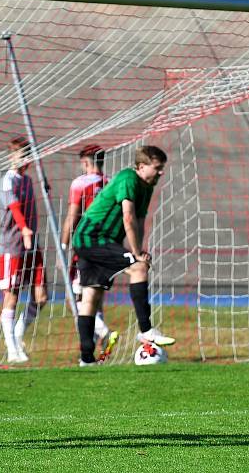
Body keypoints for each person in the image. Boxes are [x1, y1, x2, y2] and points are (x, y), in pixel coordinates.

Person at [73, 145, 175, 366]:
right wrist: (137, 254)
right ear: (141, 167)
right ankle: (146, 330)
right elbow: (128, 217)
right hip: (92, 237)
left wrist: (139, 250)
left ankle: (86, 359)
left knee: (91, 295)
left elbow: (138, 222)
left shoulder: (146, 187)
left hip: (96, 240)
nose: (161, 173)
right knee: (139, 268)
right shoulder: (128, 178)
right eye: (157, 168)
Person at [59, 145, 118, 362]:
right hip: (106, 246)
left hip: (83, 246)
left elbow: (72, 216)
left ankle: (102, 333)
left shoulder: (80, 183)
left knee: (74, 298)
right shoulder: (111, 183)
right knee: (96, 297)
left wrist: (63, 245)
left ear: (85, 162)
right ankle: (90, 353)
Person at [0, 138, 48, 363]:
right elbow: (15, 208)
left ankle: (18, 334)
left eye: (27, 154)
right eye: (20, 154)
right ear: (11, 156)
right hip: (13, 245)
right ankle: (11, 348)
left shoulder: (27, 180)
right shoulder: (8, 180)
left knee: (41, 296)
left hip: (32, 244)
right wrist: (25, 229)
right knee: (12, 296)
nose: (24, 159)